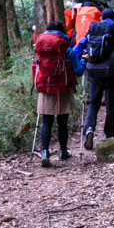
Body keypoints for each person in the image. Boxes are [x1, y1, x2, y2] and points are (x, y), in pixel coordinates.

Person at [72, 9, 114, 149]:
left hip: (94, 73)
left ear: (101, 17)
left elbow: (75, 50)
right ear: (113, 18)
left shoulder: (91, 33)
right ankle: (109, 135)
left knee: (93, 103)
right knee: (111, 104)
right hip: (112, 74)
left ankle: (89, 129)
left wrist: (83, 60)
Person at [34, 21, 80, 167]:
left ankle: (45, 152)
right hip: (63, 88)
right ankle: (62, 152)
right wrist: (84, 62)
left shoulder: (40, 47)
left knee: (46, 121)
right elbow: (78, 70)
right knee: (62, 122)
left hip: (45, 87)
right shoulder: (66, 48)